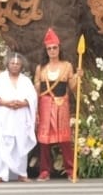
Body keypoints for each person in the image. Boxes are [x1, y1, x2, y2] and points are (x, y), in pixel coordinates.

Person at [34, 28, 81, 182]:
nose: (52, 51)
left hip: (62, 104)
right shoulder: (40, 68)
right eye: (49, 48)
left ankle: (70, 170)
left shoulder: (67, 66)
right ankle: (44, 171)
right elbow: (36, 90)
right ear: (46, 50)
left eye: (55, 48)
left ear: (59, 49)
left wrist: (77, 77)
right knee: (44, 140)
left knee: (64, 139)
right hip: (45, 105)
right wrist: (35, 110)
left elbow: (73, 87)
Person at [0, 51, 37, 183]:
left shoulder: (26, 81)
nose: (15, 66)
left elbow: (33, 99)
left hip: (21, 117)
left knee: (20, 144)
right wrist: (7, 103)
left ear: (21, 66)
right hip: (4, 116)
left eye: (18, 64)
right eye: (12, 63)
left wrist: (23, 103)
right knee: (1, 144)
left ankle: (22, 173)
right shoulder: (0, 79)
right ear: (8, 64)